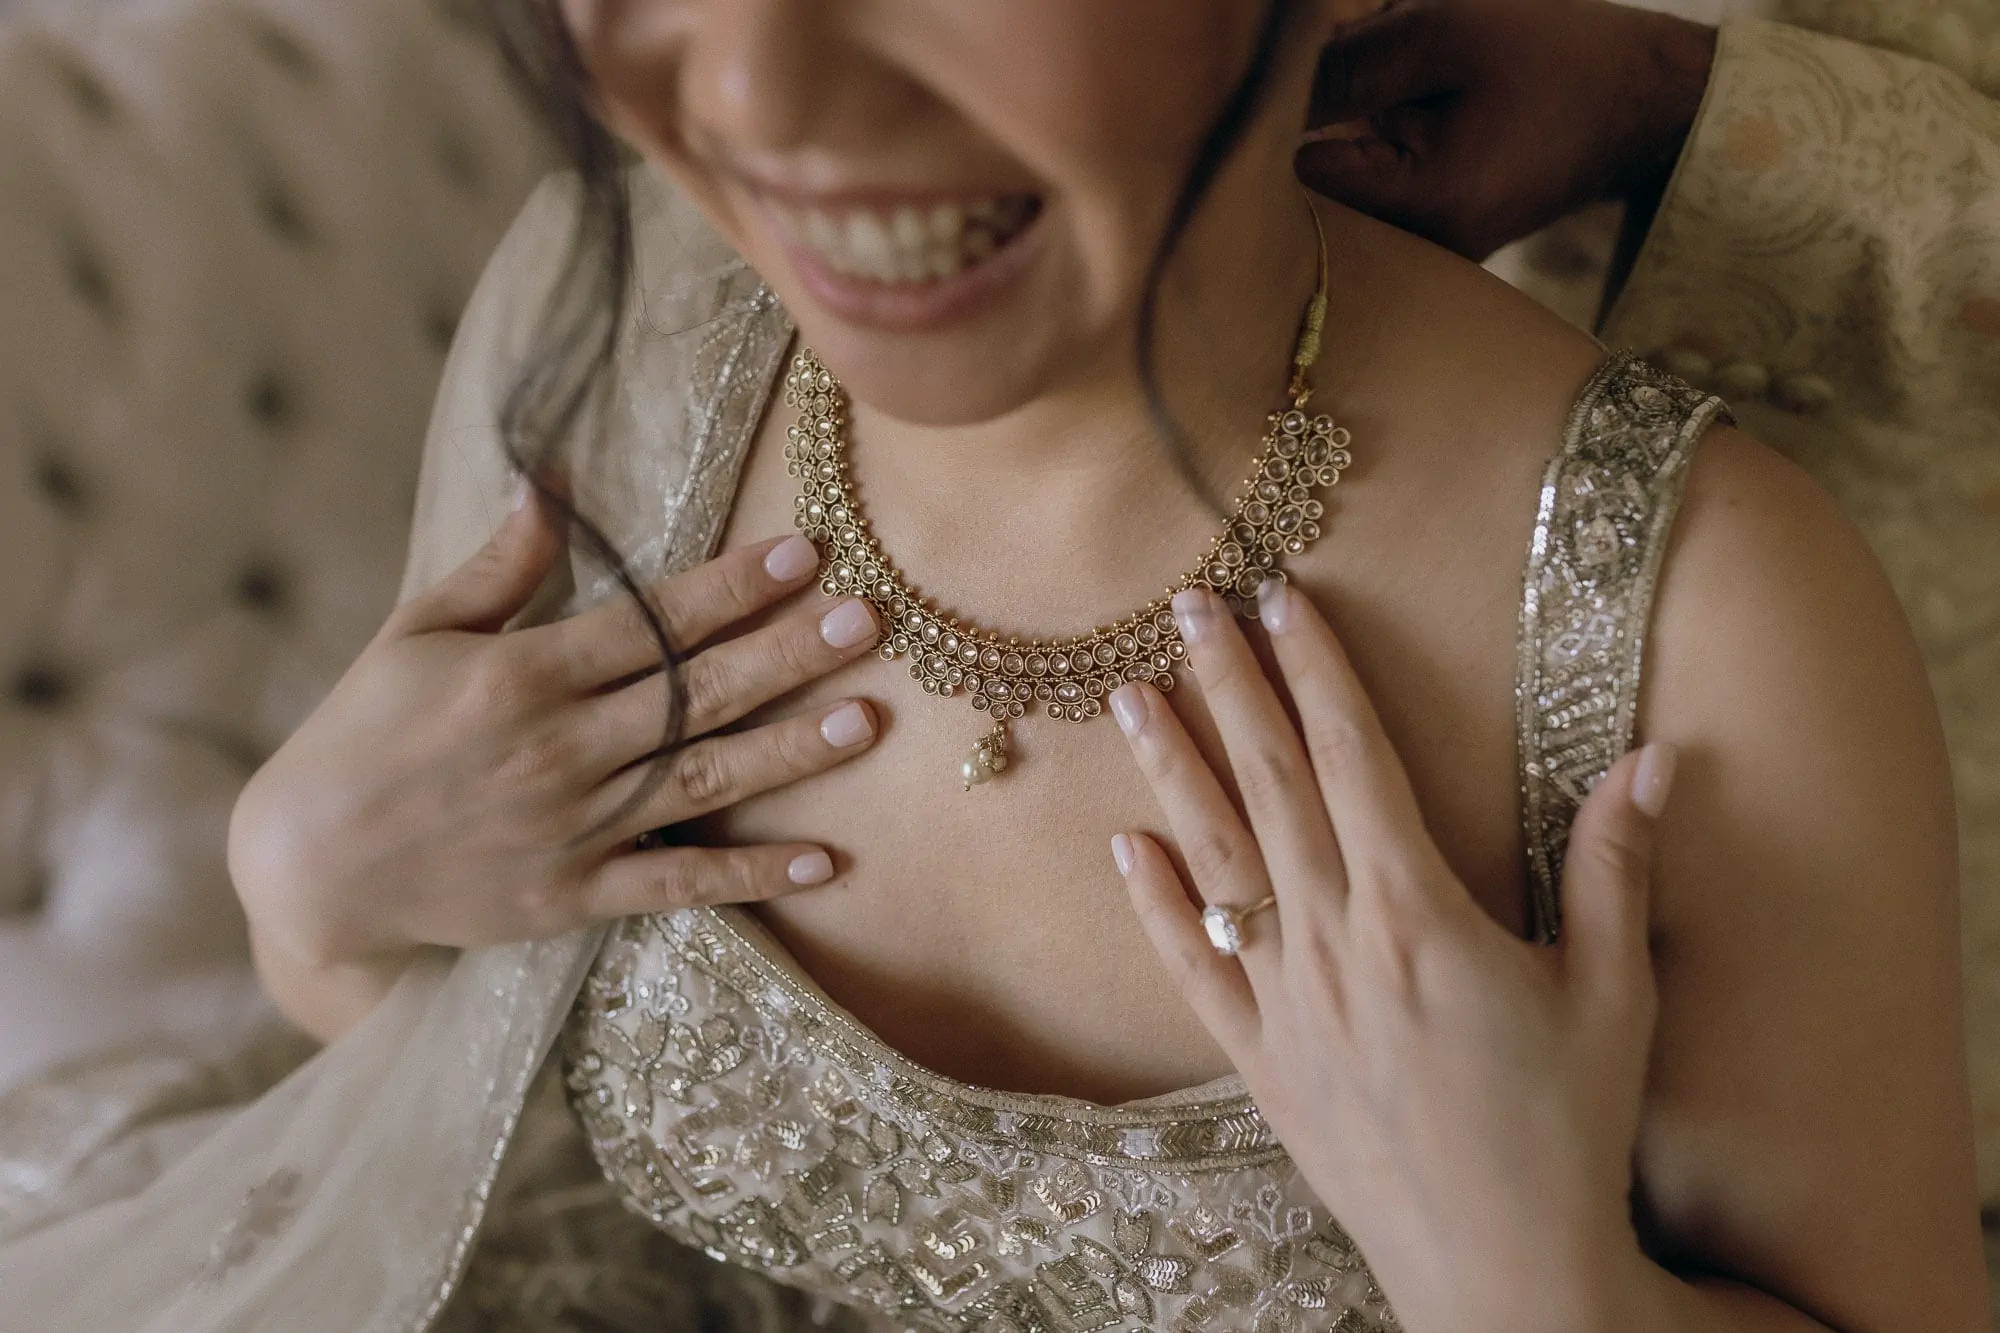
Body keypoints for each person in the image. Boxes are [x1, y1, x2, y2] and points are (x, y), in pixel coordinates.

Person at [0, 3, 1989, 1332]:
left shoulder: (1696, 630)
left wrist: (1538, 1289)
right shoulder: (610, 328)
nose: (757, 95)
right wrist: (314, 890)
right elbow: (443, 1115)